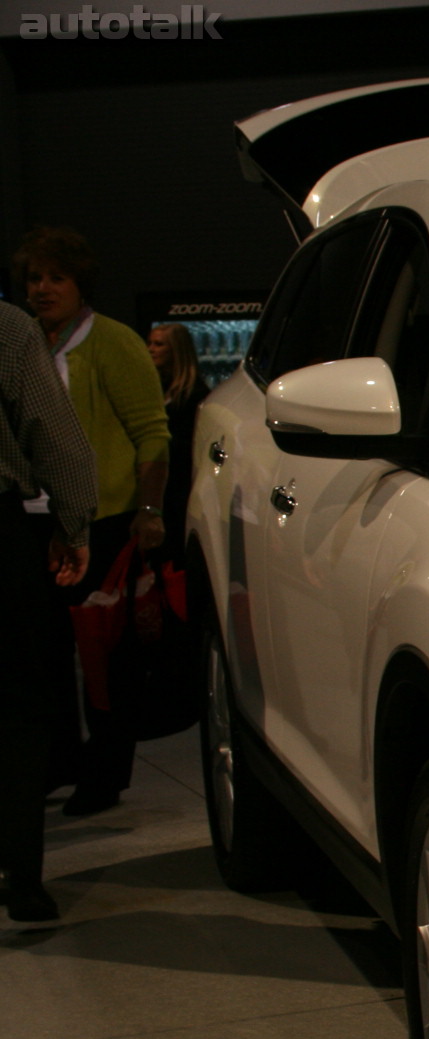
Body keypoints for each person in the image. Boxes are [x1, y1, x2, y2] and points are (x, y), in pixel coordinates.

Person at [14, 227, 170, 817]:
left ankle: (104, 774)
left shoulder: (112, 341)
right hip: (37, 520)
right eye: (34, 278)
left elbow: (152, 432)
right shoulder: (28, 344)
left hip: (103, 521)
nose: (42, 288)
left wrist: (150, 511)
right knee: (43, 653)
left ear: (81, 285)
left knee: (106, 657)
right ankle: (59, 761)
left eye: (56, 277)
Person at [0, 298, 95, 923]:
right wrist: (73, 522)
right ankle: (23, 879)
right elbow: (54, 432)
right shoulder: (7, 327)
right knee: (15, 708)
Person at [147, 322, 206, 562]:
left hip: (180, 491)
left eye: (158, 344)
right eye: (150, 342)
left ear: (177, 350)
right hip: (162, 488)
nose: (150, 349)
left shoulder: (195, 395)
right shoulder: (157, 390)